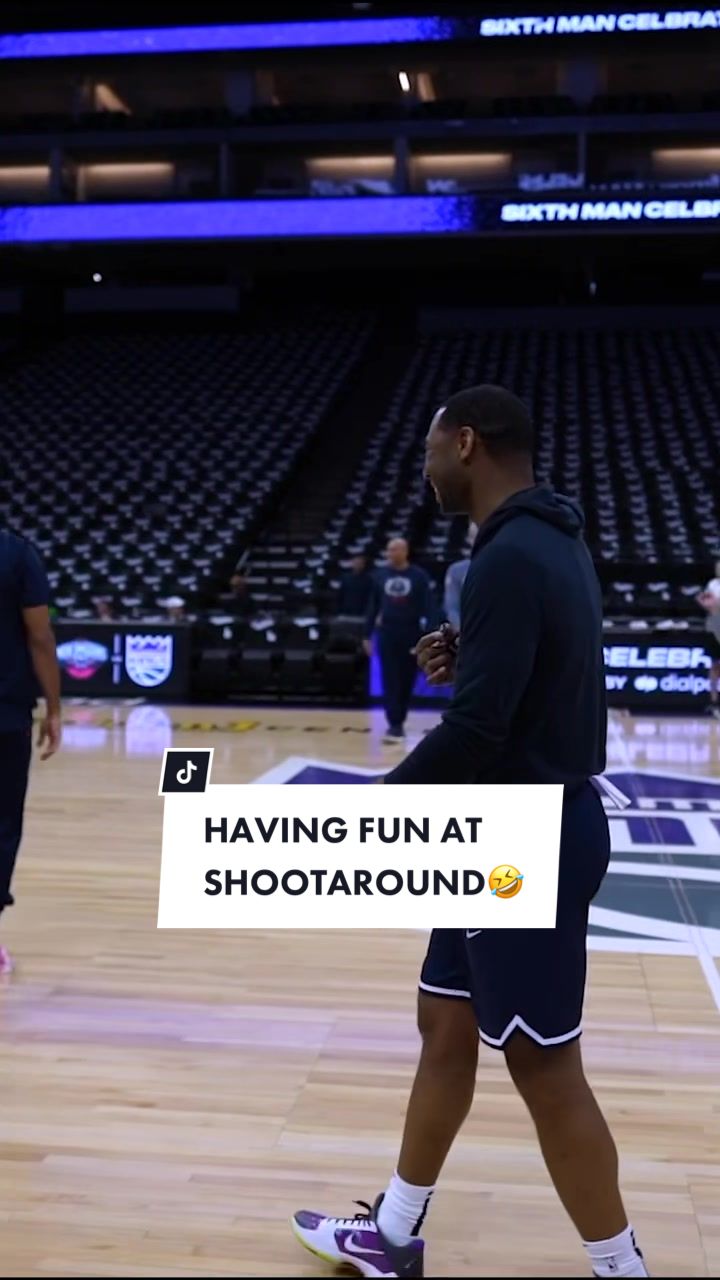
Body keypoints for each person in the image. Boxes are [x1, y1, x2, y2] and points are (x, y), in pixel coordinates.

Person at [292, 385, 648, 1279]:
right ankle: (393, 1235)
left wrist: (377, 807)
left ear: (465, 443)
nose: (425, 472)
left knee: (544, 1067)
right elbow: (536, 681)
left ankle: (623, 1271)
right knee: (444, 1022)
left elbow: (479, 731)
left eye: (428, 452)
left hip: (523, 838)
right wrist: (476, 658)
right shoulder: (551, 539)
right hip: (500, 827)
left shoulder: (510, 556)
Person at [0, 528, 62, 974]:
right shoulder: (17, 552)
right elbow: (39, 636)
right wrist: (54, 708)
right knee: (2, 826)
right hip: (5, 715)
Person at [366, 537, 438, 744]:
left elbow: (429, 607)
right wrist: (366, 635)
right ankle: (394, 723)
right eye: (389, 550)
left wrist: (430, 635)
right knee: (389, 678)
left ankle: (400, 718)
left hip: (411, 632)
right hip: (387, 632)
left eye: (395, 550)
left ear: (405, 551)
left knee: (406, 678)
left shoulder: (419, 576)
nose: (391, 554)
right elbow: (372, 606)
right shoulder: (380, 575)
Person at [442, 522, 478, 630]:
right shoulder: (457, 570)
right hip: (469, 631)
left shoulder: (505, 567)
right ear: (469, 540)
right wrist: (462, 632)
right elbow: (452, 608)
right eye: (474, 536)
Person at [696, 561, 720, 717]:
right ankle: (714, 701)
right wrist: (710, 606)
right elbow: (703, 600)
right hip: (715, 625)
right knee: (715, 665)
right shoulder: (712, 584)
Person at [337, 553, 376, 618]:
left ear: (363, 564)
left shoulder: (369, 580)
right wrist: (339, 610)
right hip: (346, 611)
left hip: (362, 612)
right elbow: (340, 595)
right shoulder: (345, 578)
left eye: (360, 563)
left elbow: (370, 597)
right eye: (356, 562)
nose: (358, 565)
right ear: (352, 563)